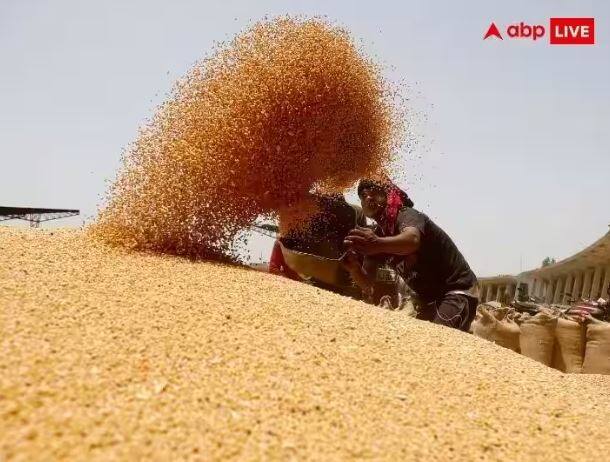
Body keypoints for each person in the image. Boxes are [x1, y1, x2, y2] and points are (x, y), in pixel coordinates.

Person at [342, 178, 478, 331]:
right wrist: (354, 268)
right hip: (428, 299)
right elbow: (367, 284)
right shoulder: (377, 235)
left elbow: (412, 240)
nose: (368, 198)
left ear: (388, 194)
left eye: (374, 192)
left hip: (456, 290)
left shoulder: (407, 215)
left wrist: (377, 244)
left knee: (437, 341)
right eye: (363, 196)